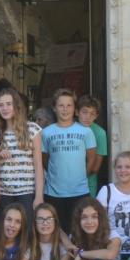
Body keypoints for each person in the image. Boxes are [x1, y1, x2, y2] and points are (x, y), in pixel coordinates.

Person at [41, 90, 97, 233]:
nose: (65, 109)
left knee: (79, 232)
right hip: (54, 193)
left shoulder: (86, 132)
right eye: (61, 105)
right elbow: (44, 160)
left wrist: (80, 177)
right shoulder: (46, 133)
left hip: (79, 192)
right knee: (56, 233)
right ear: (54, 108)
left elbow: (91, 160)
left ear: (74, 109)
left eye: (69, 105)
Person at [0, 85, 43, 216]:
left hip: (27, 191)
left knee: (27, 232)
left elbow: (38, 166)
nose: (5, 108)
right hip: (4, 192)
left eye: (8, 104)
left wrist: (39, 196)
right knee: (7, 233)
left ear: (16, 105)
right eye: (1, 105)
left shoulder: (32, 129)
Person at [76, 96, 108, 195]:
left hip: (88, 184)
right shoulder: (69, 128)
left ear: (96, 116)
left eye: (92, 114)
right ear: (77, 112)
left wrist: (77, 179)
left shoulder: (100, 133)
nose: (88, 117)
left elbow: (95, 167)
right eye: (84, 112)